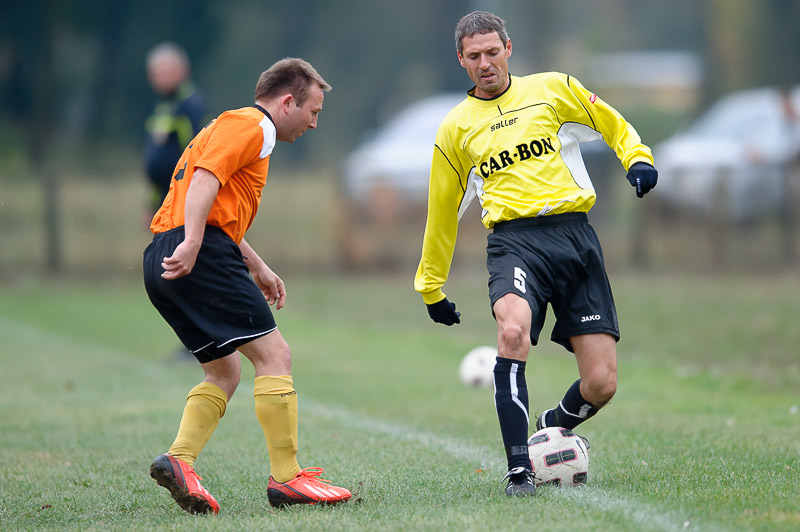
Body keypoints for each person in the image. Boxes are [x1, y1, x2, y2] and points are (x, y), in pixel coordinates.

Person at [414, 11, 658, 497]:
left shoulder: (552, 89)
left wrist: (638, 157)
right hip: (514, 243)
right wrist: (431, 287)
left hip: (575, 239)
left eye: (492, 51)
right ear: (461, 60)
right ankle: (519, 470)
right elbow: (441, 212)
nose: (486, 63)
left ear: (508, 48)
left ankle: (550, 425)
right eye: (474, 56)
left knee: (602, 383)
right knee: (512, 333)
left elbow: (612, 124)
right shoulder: (455, 128)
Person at [143, 57, 351, 514]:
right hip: (196, 250)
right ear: (288, 102)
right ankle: (288, 478)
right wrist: (194, 242)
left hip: (161, 254)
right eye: (313, 111)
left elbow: (216, 206)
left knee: (224, 372)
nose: (315, 123)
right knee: (275, 355)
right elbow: (205, 179)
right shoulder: (253, 125)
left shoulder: (232, 125)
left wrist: (256, 265)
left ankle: (179, 460)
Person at [144, 42, 206, 219]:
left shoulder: (192, 105)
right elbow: (156, 159)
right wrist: (151, 203)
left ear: (183, 71)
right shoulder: (163, 105)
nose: (160, 79)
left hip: (184, 196)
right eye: (156, 74)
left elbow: (199, 154)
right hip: (164, 196)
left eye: (166, 73)